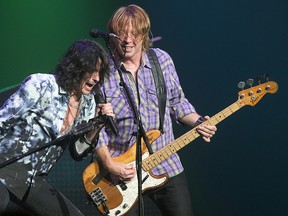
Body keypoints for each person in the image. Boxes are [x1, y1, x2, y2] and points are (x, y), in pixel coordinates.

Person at [92, 4, 218, 216]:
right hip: (121, 171)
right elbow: (94, 127)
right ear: (112, 34)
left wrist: (198, 122)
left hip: (166, 162)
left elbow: (177, 103)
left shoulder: (162, 60)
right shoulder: (101, 70)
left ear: (144, 34)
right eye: (122, 33)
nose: (128, 40)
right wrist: (109, 164)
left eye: (135, 33)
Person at [0, 39, 114, 216]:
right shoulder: (41, 85)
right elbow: (3, 121)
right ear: (76, 66)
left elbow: (77, 152)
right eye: (93, 70)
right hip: (4, 167)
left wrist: (96, 125)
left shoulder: (88, 104)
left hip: (32, 180)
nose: (96, 78)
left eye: (100, 72)